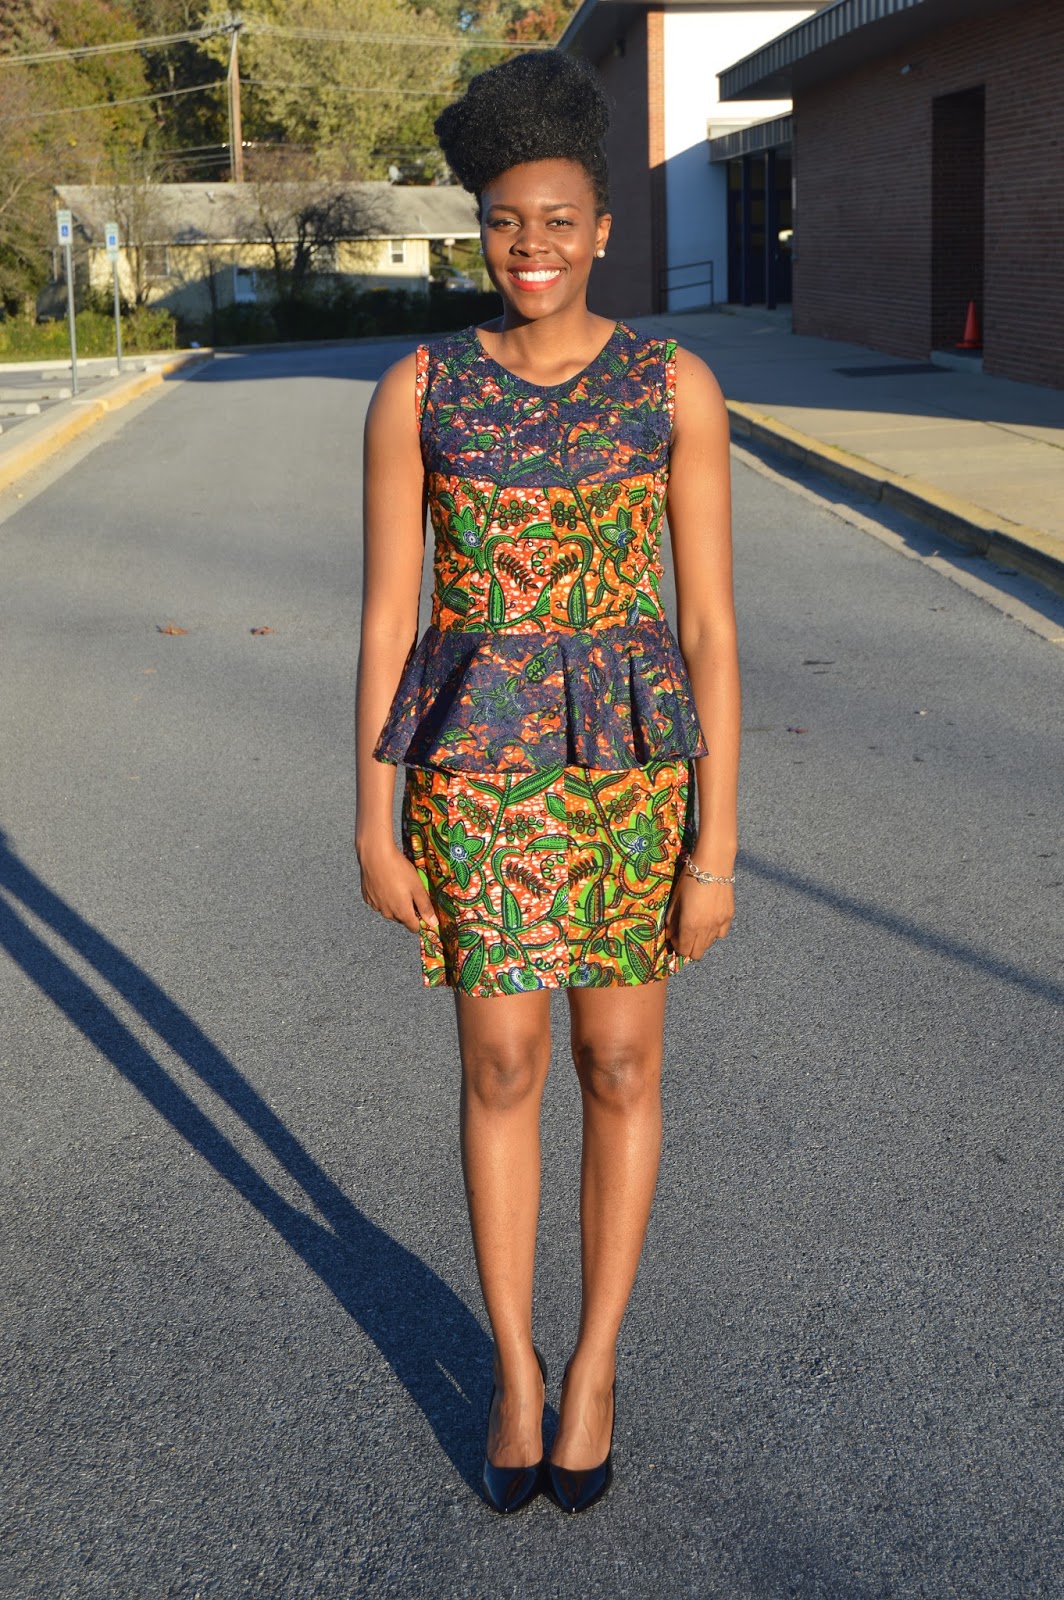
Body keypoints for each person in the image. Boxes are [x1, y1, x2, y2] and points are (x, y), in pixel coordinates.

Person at [355, 49, 739, 1515]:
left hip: (631, 777)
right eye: (508, 221)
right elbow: (388, 620)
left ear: (602, 229)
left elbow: (709, 629)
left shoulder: (673, 386)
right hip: (473, 776)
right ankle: (515, 1368)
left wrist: (715, 848)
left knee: (620, 1065)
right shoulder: (419, 389)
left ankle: (596, 1369)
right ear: (483, 228)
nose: (533, 247)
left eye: (560, 221)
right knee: (503, 1066)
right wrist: (375, 817)